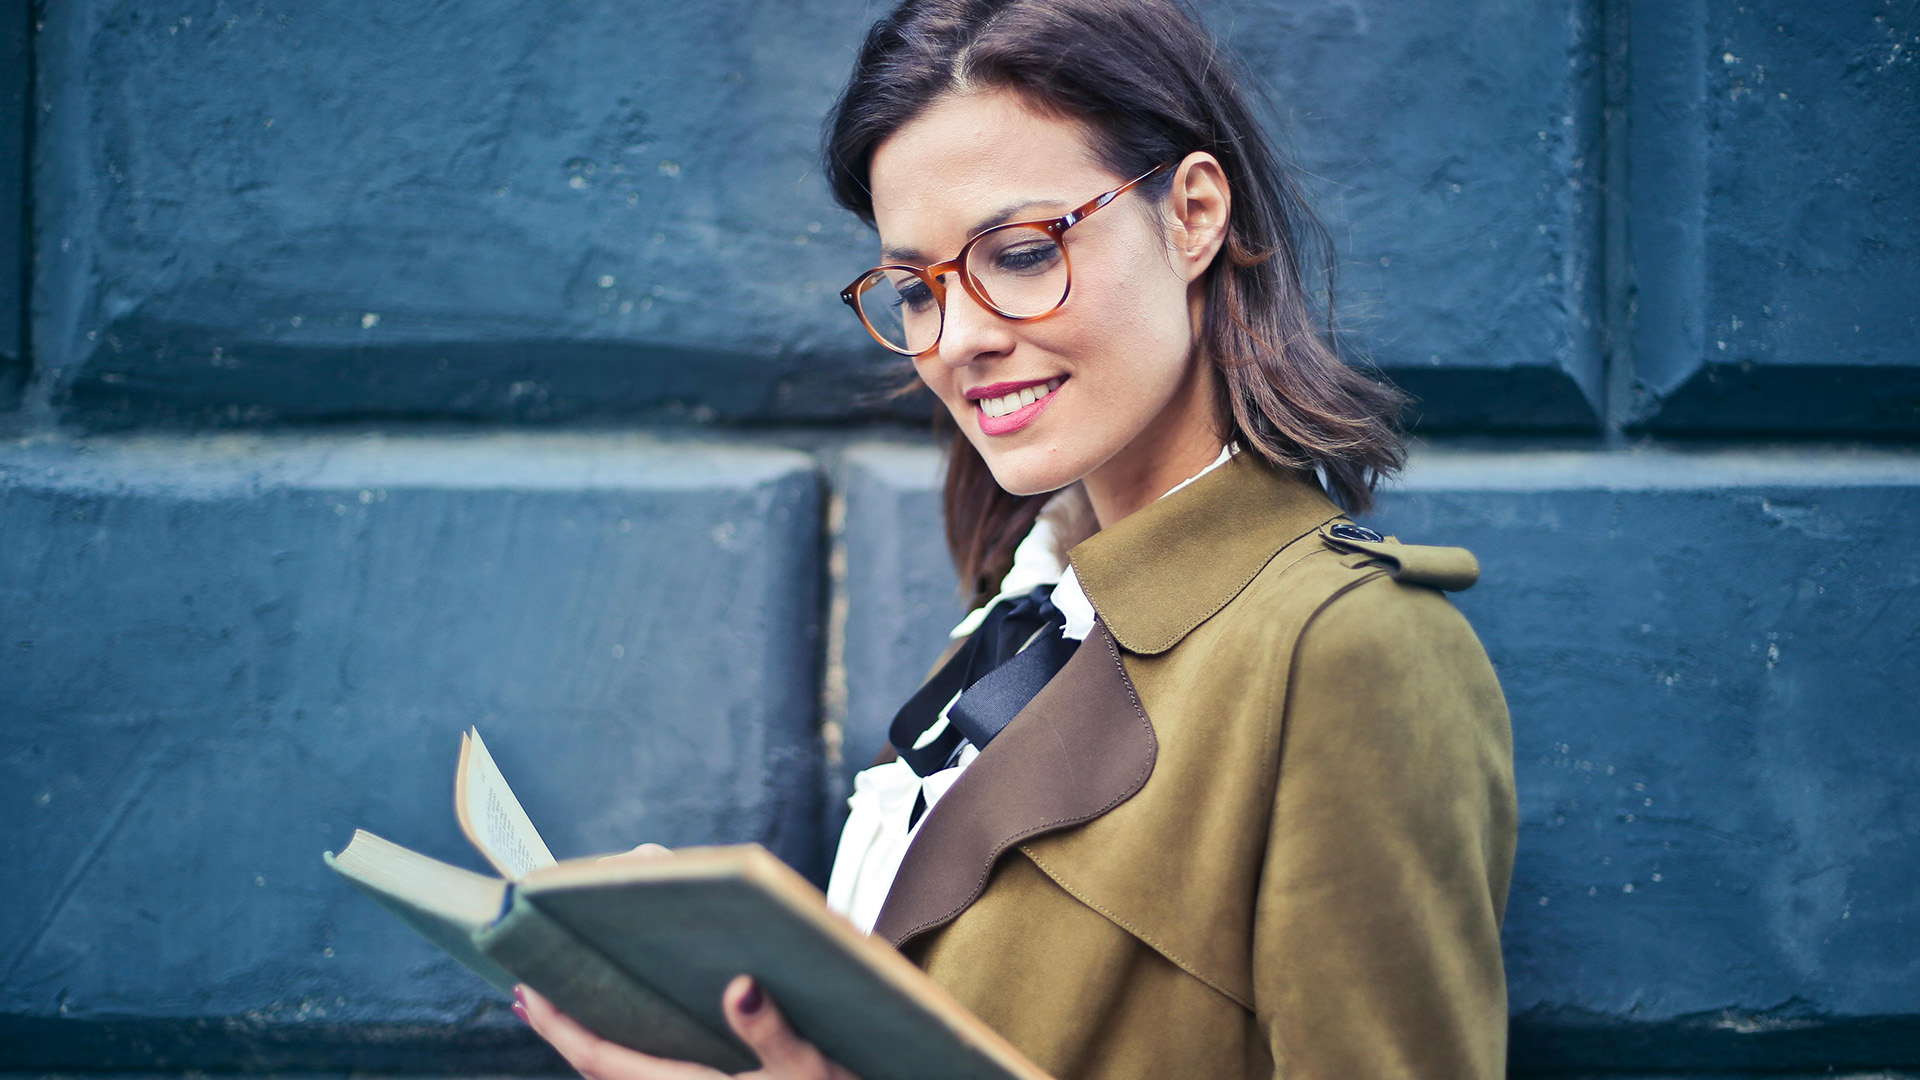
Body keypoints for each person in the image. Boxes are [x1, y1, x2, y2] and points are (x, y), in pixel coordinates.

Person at [517, 0, 1517, 1077]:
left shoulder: (1346, 650)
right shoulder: (1024, 612)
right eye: (915, 289)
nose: (960, 341)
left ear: (1192, 215)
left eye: (1024, 252)